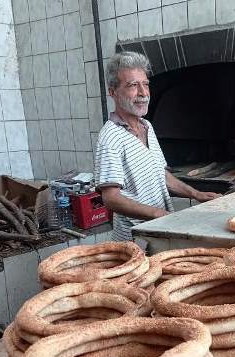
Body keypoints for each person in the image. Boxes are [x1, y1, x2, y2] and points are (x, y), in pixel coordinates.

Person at [94, 52, 220, 242]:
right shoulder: (110, 138)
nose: (143, 93)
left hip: (159, 231)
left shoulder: (147, 126)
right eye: (132, 85)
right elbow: (111, 198)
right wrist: (157, 214)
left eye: (145, 84)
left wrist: (196, 194)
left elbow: (160, 173)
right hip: (135, 239)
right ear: (113, 92)